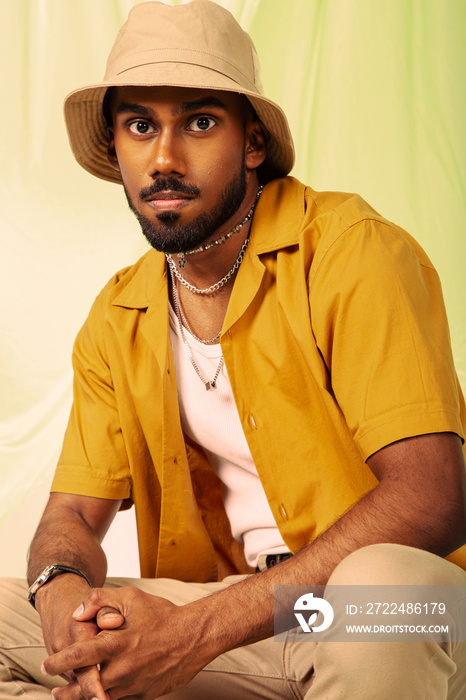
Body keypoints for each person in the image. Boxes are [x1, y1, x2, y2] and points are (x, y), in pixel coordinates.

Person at [1, 1, 466, 698]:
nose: (164, 158)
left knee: (378, 586)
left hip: (404, 611)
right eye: (139, 126)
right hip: (239, 616)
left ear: (252, 143)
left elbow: (433, 498)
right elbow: (68, 517)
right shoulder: (118, 314)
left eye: (199, 121)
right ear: (117, 147)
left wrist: (199, 631)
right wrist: (64, 595)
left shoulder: (350, 250)